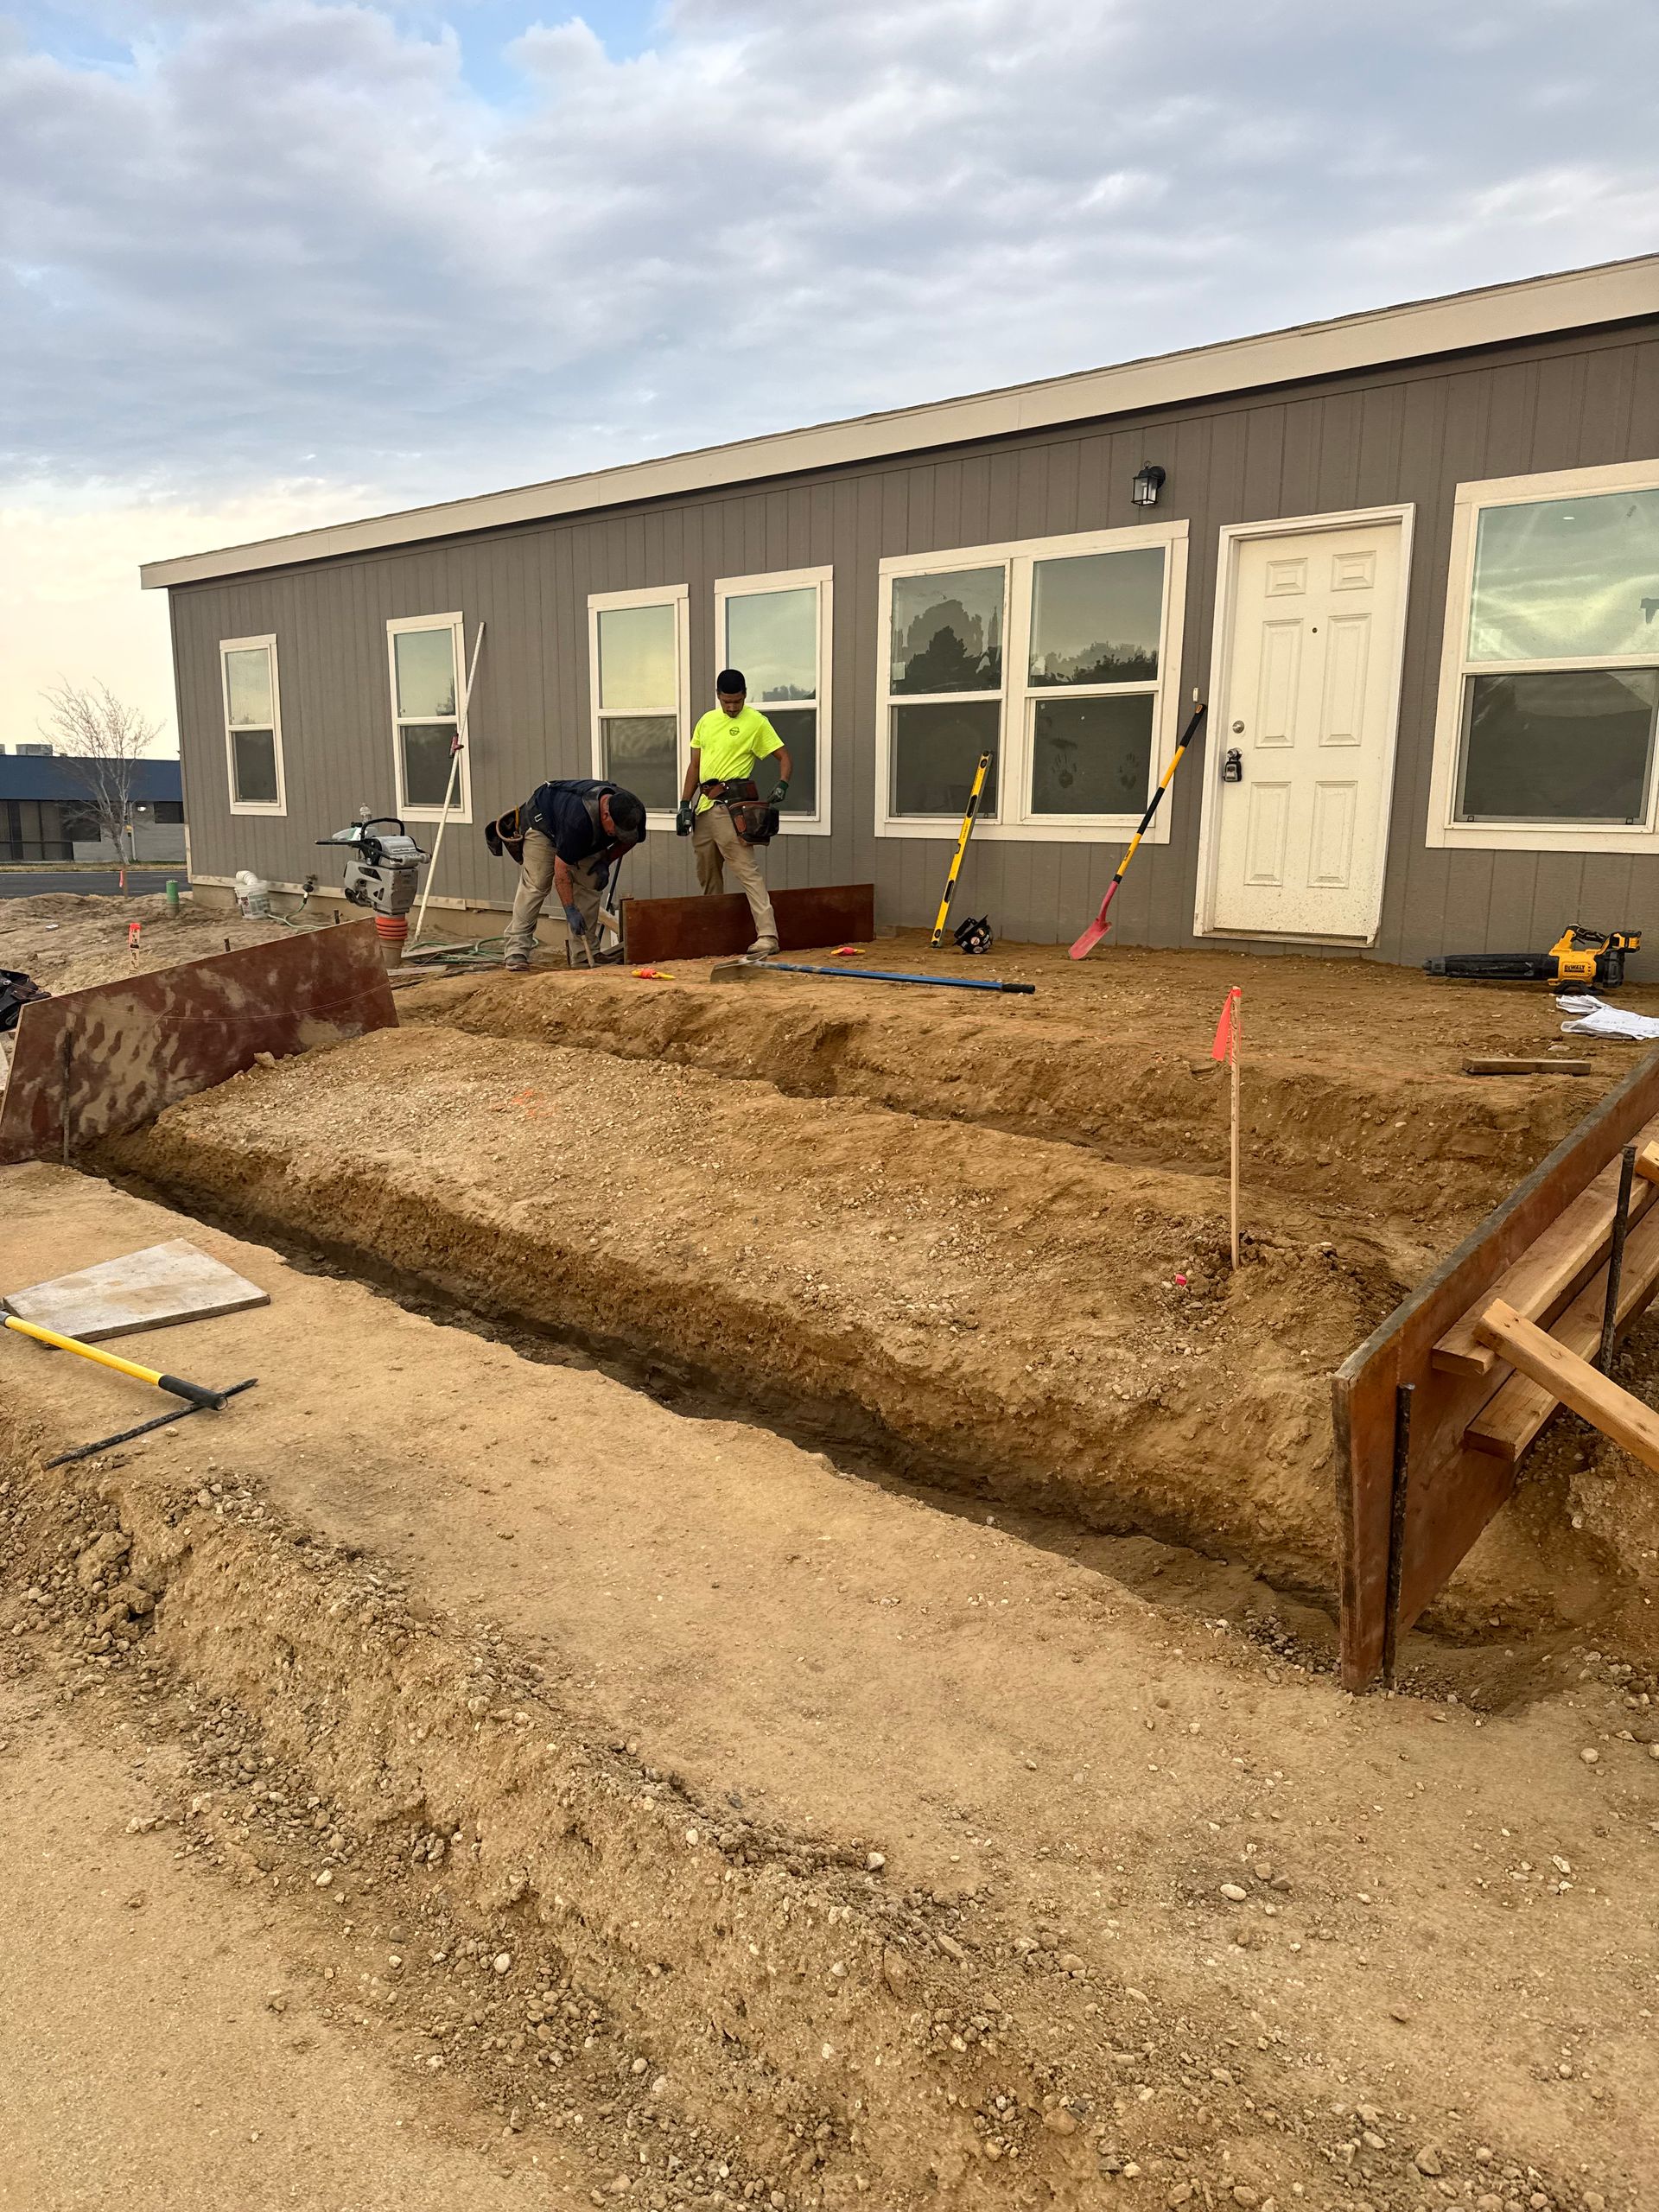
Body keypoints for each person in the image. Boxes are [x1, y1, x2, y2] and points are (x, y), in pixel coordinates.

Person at [676, 669, 791, 957]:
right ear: (718, 696)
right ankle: (715, 933)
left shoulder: (756, 722)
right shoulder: (706, 721)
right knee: (708, 874)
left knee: (747, 871)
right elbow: (695, 766)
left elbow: (783, 756)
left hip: (731, 809)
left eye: (737, 702)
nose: (731, 707)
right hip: (704, 808)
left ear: (745, 695)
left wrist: (782, 783)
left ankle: (768, 935)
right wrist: (685, 804)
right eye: (726, 702)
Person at [498, 777, 646, 972]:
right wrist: (570, 910)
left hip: (583, 833)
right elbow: (561, 871)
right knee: (537, 884)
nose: (618, 835)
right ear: (606, 815)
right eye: (616, 831)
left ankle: (585, 954)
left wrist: (606, 861)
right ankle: (516, 951)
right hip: (543, 826)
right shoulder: (577, 821)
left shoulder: (633, 809)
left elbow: (631, 839)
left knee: (591, 881)